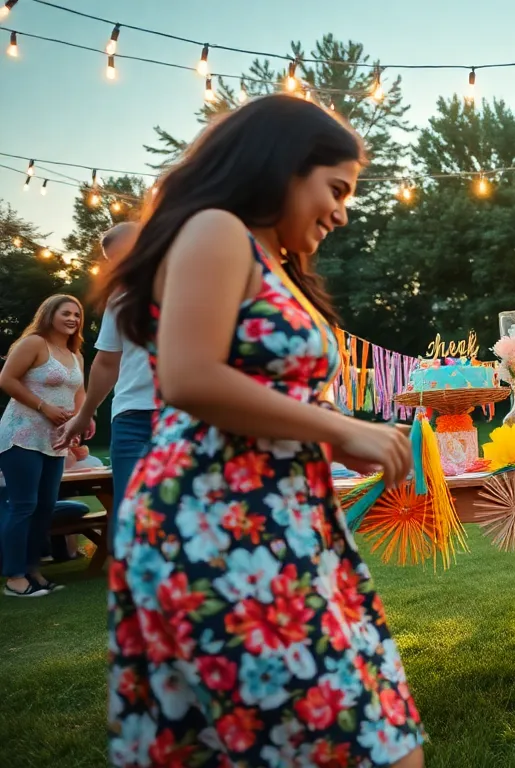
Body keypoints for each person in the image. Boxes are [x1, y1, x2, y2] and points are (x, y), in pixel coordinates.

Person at [98, 96, 423, 767]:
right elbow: (188, 376)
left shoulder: (277, 263)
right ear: (282, 166)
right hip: (217, 525)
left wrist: (331, 438)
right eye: (336, 189)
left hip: (283, 522)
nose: (342, 213)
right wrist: (340, 428)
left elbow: (267, 394)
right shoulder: (217, 230)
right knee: (362, 743)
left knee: (378, 730)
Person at [54, 222, 154, 532]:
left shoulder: (198, 278)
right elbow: (108, 362)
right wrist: (84, 415)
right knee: (131, 519)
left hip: (189, 414)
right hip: (132, 418)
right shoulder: (121, 297)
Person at [0, 294, 87, 597]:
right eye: (66, 313)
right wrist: (43, 406)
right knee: (23, 505)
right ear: (50, 314)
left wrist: (82, 419)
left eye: (77, 314)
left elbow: (79, 393)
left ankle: (33, 570)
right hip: (22, 435)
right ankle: (14, 577)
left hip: (55, 441)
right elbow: (6, 379)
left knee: (45, 507)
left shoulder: (75, 355)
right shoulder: (34, 343)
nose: (73, 319)